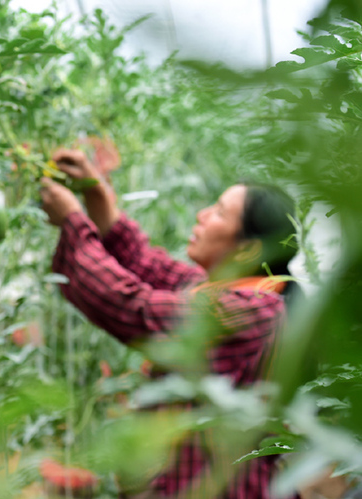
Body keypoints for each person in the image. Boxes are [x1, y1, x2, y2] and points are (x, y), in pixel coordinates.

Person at [39, 148, 299, 499]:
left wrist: (73, 221)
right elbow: (143, 262)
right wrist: (95, 191)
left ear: (249, 250)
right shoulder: (227, 293)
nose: (202, 215)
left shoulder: (250, 312)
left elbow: (134, 309)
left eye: (219, 212)